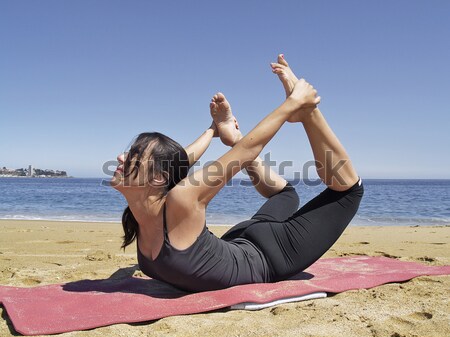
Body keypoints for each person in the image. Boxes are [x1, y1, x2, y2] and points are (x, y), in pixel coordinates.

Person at [111, 55, 364, 292]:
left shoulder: (181, 201)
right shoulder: (141, 216)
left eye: (132, 155)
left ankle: (309, 112)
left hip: (273, 254)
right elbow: (177, 163)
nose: (121, 157)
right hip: (240, 240)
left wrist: (292, 105)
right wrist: (213, 130)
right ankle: (297, 111)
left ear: (157, 178)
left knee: (348, 191)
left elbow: (247, 150)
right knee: (287, 194)